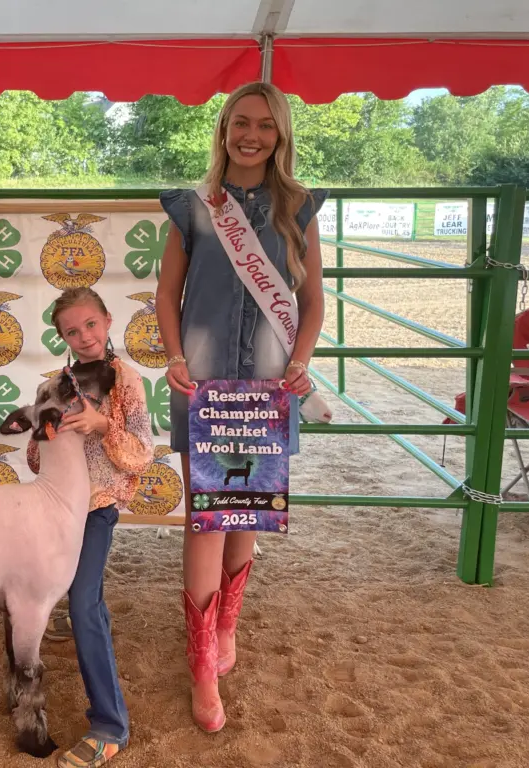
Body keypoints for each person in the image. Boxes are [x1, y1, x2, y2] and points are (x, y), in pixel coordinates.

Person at [154, 81, 326, 732]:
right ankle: (201, 663)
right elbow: (167, 293)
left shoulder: (299, 208)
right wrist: (174, 356)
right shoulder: (195, 206)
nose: (251, 135)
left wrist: (299, 364)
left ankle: (227, 623)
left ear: (280, 135)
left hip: (266, 384)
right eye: (240, 123)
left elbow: (313, 300)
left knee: (245, 509)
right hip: (203, 384)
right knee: (207, 519)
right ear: (223, 130)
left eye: (264, 125)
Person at [24, 287, 153, 768]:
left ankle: (110, 725)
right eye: (72, 331)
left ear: (108, 320)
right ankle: (82, 623)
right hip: (57, 506)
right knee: (68, 594)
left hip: (96, 507)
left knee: (83, 603)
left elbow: (142, 454)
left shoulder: (127, 380)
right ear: (62, 337)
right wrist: (46, 429)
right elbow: (36, 457)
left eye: (91, 325)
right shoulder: (55, 385)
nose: (84, 337)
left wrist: (101, 425)